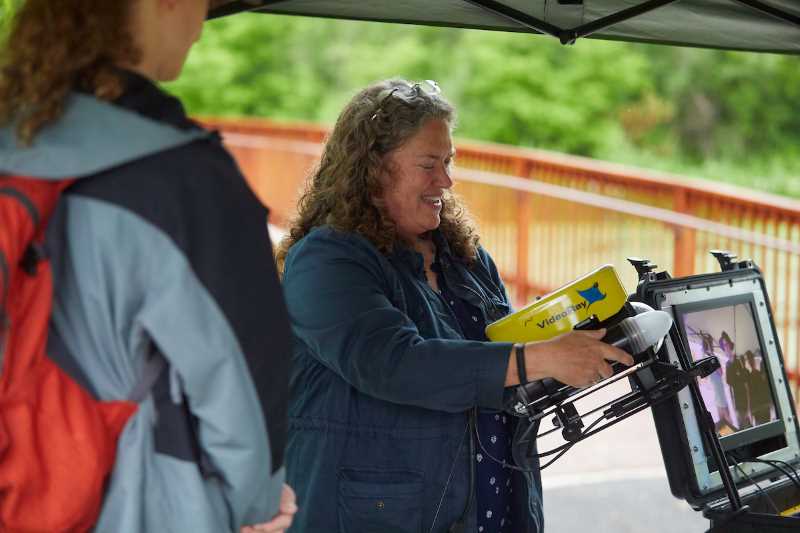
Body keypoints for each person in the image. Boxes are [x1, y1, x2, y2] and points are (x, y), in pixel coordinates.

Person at [277, 78, 633, 533]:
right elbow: (393, 362)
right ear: (372, 168)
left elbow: (499, 371)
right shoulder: (326, 260)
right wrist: (539, 358)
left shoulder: (465, 257)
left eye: (448, 162)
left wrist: (587, 349)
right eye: (429, 164)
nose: (446, 181)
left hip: (494, 511)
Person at [0, 1, 295, 531]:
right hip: (130, 502)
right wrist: (255, 507)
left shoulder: (12, 138)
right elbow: (247, 392)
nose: (200, 28)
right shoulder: (184, 177)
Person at [721, 331, 751, 430]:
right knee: (740, 426)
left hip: (744, 402)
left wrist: (749, 408)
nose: (726, 347)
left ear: (730, 344)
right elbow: (728, 382)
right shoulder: (727, 365)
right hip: (735, 403)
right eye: (724, 345)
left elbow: (746, 383)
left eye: (726, 344)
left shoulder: (739, 361)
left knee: (747, 427)